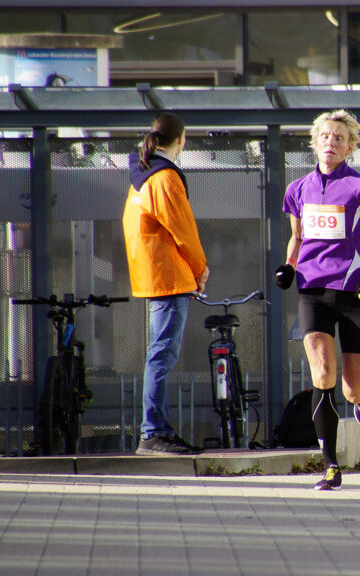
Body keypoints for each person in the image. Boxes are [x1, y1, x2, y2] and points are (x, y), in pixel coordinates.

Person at [275, 109, 360, 491]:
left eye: (339, 138)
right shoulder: (297, 189)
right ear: (314, 143)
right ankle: (330, 464)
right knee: (322, 374)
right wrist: (288, 265)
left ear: (349, 147)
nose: (331, 142)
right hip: (313, 290)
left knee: (350, 389)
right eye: (325, 136)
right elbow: (297, 238)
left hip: (354, 292)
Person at [123, 112, 209, 456]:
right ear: (181, 139)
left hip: (153, 275)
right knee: (162, 355)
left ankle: (154, 429)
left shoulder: (141, 175)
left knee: (158, 353)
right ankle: (154, 431)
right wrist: (199, 268)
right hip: (171, 277)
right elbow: (183, 229)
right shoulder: (164, 177)